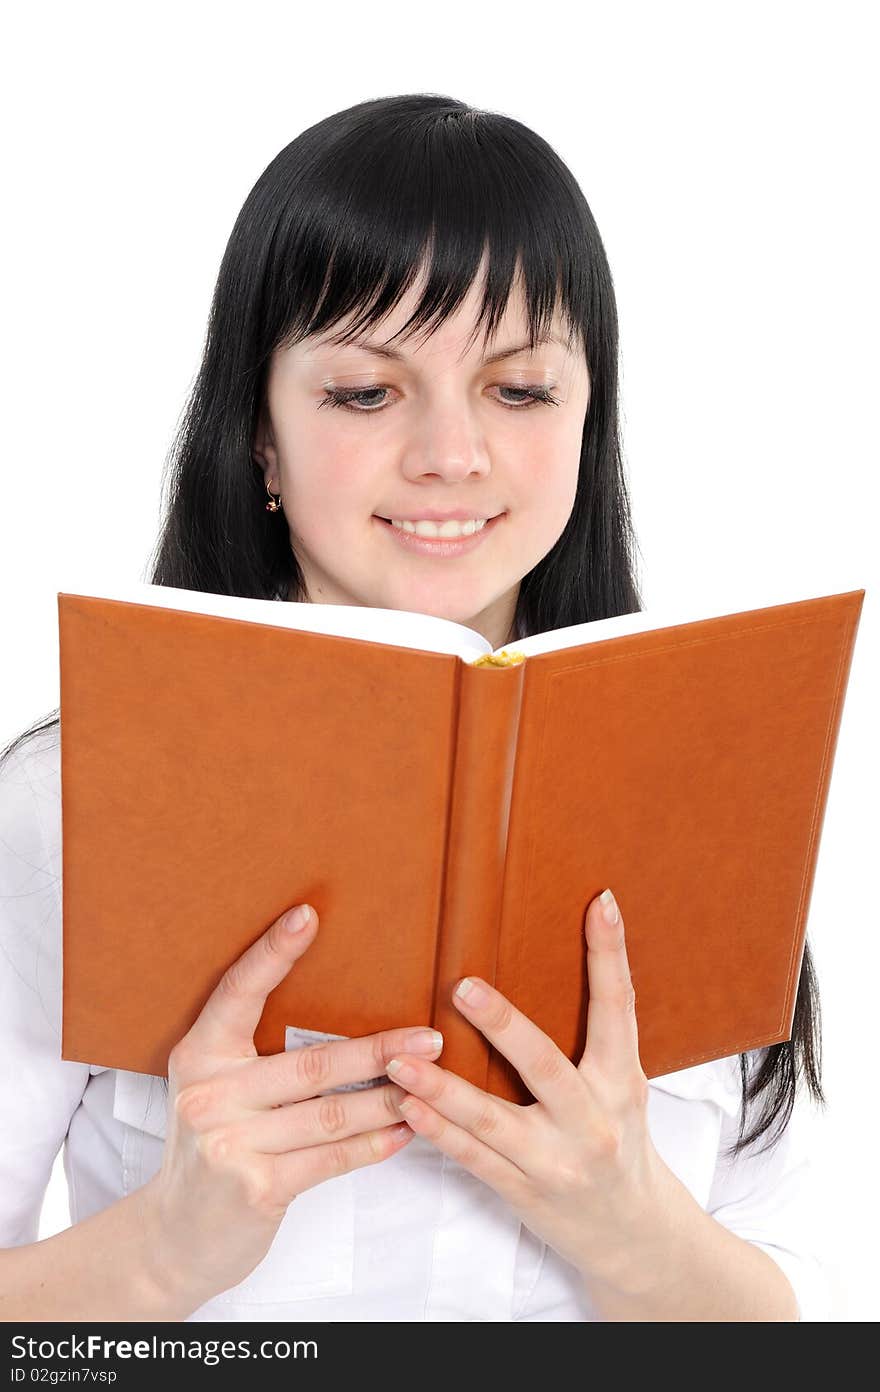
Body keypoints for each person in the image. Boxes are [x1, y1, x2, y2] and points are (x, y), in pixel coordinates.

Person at [0, 92, 831, 1322]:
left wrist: (639, 1238)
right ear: (261, 443)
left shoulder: (709, 772)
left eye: (521, 391)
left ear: (587, 419)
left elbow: (816, 1303)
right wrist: (166, 1249)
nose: (452, 455)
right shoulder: (70, 803)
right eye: (364, 394)